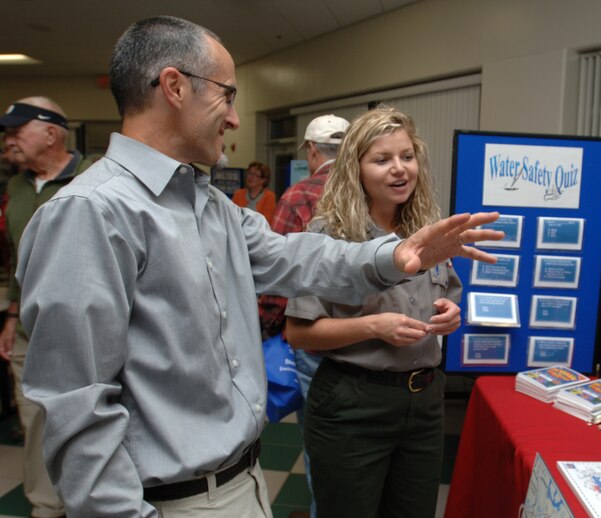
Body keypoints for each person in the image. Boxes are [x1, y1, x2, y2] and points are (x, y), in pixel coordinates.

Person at [14, 16, 502, 518]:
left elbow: (293, 257)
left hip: (242, 483)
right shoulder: (91, 212)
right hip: (168, 503)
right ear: (175, 87)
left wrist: (396, 255)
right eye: (227, 95)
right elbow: (77, 405)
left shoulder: (207, 204)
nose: (235, 118)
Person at [285, 106, 463, 518]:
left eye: (407, 156)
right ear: (356, 168)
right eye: (382, 160)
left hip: (424, 401)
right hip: (353, 404)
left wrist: (450, 314)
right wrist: (372, 327)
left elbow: (446, 295)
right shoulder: (329, 235)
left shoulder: (428, 230)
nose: (399, 169)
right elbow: (298, 333)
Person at [0, 97, 92, 518]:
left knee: (89, 420)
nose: (9, 140)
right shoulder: (17, 187)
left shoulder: (92, 175)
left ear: (52, 133)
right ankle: (45, 506)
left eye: (18, 130)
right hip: (28, 331)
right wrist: (13, 315)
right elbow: (18, 260)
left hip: (84, 331)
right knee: (34, 418)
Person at [259, 112, 349, 518]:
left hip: (313, 337)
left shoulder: (297, 197)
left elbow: (277, 278)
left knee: (320, 444)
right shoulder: (371, 188)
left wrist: (263, 330)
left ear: (312, 151)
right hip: (370, 341)